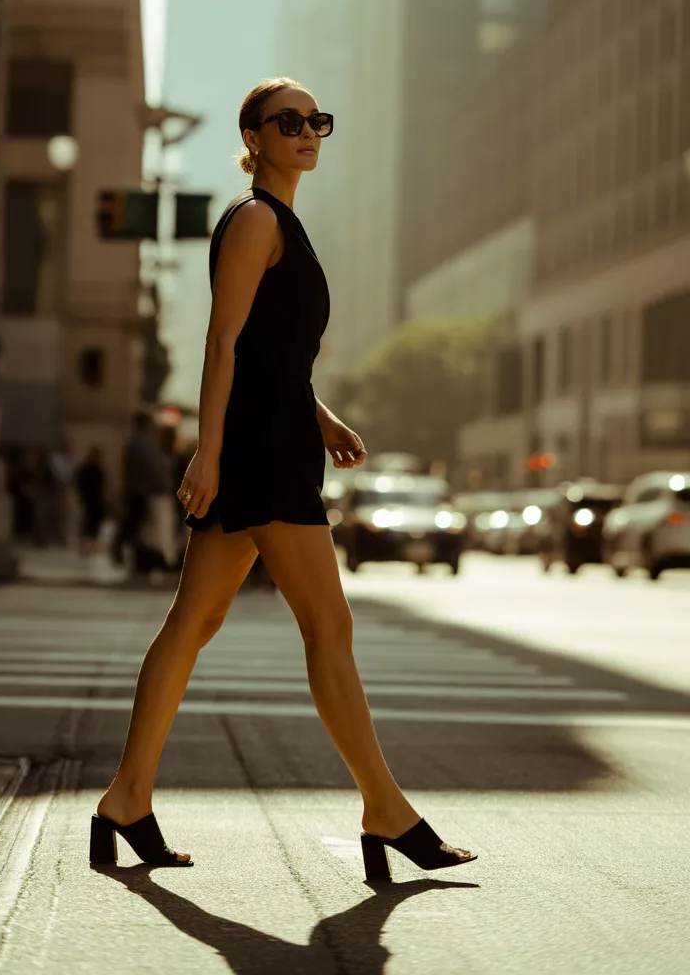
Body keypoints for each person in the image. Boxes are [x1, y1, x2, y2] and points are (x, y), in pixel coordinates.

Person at [92, 78, 476, 880]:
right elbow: (224, 341)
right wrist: (208, 452)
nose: (307, 132)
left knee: (193, 622)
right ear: (254, 137)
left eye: (317, 121)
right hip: (259, 453)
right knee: (327, 627)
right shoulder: (256, 220)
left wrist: (320, 416)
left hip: (274, 438)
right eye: (289, 121)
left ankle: (126, 799)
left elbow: (275, 357)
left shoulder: (280, 222)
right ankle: (386, 811)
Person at [111, 412, 168, 566]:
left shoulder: (134, 443)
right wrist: (161, 484)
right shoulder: (142, 444)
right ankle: (130, 551)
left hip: (135, 489)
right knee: (135, 522)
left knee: (134, 522)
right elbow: (151, 467)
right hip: (140, 490)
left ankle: (134, 553)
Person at [74, 447, 106, 555]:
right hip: (88, 499)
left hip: (97, 500)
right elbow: (79, 483)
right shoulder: (84, 470)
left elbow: (103, 486)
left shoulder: (99, 470)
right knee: (87, 521)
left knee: (95, 522)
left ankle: (92, 544)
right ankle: (83, 544)